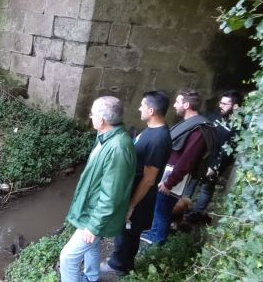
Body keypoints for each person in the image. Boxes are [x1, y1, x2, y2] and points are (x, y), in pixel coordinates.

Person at [59, 96, 137, 282]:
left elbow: (112, 196)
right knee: (92, 246)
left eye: (92, 114)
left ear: (101, 120)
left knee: (68, 258)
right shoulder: (106, 136)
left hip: (96, 216)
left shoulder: (117, 148)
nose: (90, 116)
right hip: (92, 211)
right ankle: (92, 278)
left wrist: (94, 226)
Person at [100, 91, 172, 276]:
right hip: (131, 191)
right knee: (124, 231)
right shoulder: (151, 130)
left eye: (142, 105)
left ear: (152, 110)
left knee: (129, 232)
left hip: (139, 196)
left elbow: (149, 179)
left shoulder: (159, 139)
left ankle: (120, 266)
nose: (139, 108)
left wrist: (131, 205)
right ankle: (123, 262)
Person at [141, 89, 209, 245]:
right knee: (159, 208)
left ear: (186, 104)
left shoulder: (198, 129)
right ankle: (154, 232)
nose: (174, 106)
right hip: (169, 174)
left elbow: (187, 160)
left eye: (178, 102)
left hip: (174, 178)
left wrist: (169, 182)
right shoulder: (189, 124)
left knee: (163, 211)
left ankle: (158, 240)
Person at [185, 90, 243, 218]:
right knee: (191, 181)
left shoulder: (237, 127)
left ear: (235, 106)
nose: (221, 106)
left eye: (225, 104)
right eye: (221, 103)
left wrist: (215, 166)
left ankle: (195, 215)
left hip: (216, 162)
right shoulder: (215, 116)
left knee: (206, 187)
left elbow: (230, 150)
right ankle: (181, 209)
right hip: (201, 157)